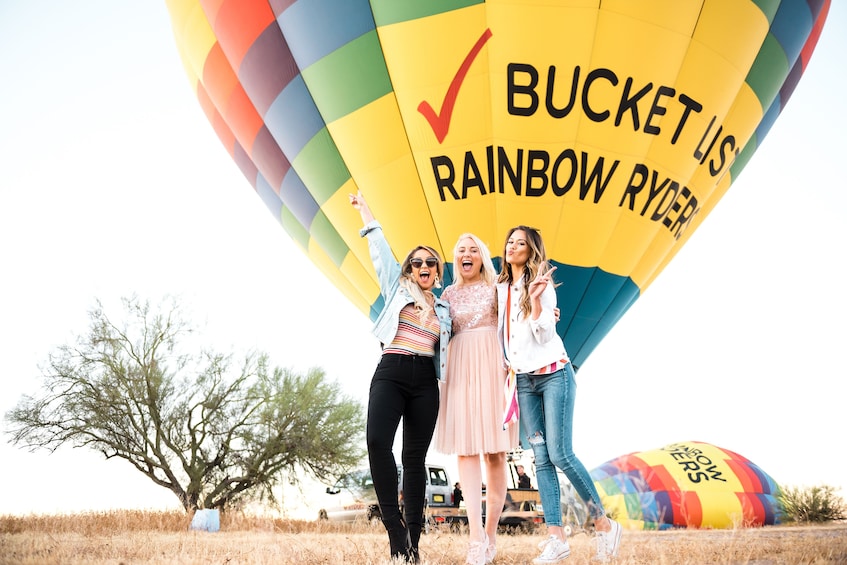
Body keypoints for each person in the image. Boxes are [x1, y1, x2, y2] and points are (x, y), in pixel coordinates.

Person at [497, 226, 622, 564]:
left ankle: (603, 523)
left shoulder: (542, 284)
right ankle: (557, 538)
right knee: (539, 457)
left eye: (520, 243)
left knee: (561, 454)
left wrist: (537, 302)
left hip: (553, 375)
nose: (512, 247)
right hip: (523, 381)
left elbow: (544, 335)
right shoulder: (501, 288)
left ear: (531, 249)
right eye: (509, 241)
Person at [349, 191, 452, 564]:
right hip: (391, 370)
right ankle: (396, 530)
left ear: (438, 274)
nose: (424, 265)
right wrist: (366, 212)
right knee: (377, 442)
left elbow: (479, 327)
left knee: (414, 459)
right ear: (409, 269)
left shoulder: (446, 308)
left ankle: (414, 545)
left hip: (426, 379)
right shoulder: (397, 288)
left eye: (431, 263)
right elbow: (379, 248)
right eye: (417, 261)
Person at [434, 233, 518, 565]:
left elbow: (517, 318)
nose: (467, 255)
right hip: (459, 368)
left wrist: (544, 313)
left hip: (491, 367)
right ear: (455, 259)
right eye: (461, 251)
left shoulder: (497, 287)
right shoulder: (448, 293)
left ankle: (491, 532)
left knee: (495, 454)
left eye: (473, 250)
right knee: (466, 450)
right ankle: (474, 537)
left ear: (482, 256)